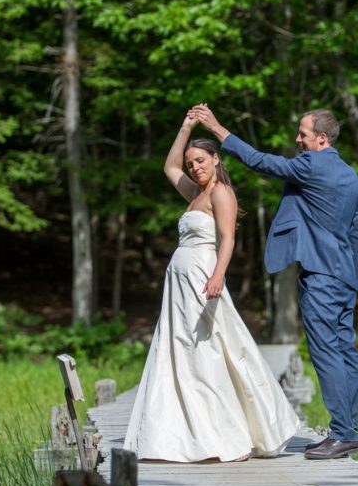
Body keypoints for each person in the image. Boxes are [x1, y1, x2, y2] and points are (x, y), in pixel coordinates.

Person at [190, 103, 358, 461]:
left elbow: (258, 161)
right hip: (345, 276)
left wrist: (217, 128)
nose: (297, 139)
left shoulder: (312, 165)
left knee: (326, 352)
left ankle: (343, 433)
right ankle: (348, 431)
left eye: (303, 134)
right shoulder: (351, 176)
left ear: (321, 138)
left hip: (321, 276)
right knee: (346, 351)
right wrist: (352, 277)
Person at [123, 112, 300, 463]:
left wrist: (218, 275)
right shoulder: (194, 193)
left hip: (202, 278)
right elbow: (169, 169)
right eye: (192, 164)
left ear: (216, 159)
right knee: (181, 350)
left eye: (200, 160)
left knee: (210, 350)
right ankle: (184, 432)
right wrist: (186, 127)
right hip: (180, 284)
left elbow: (228, 237)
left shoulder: (220, 193)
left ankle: (230, 433)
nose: (193, 168)